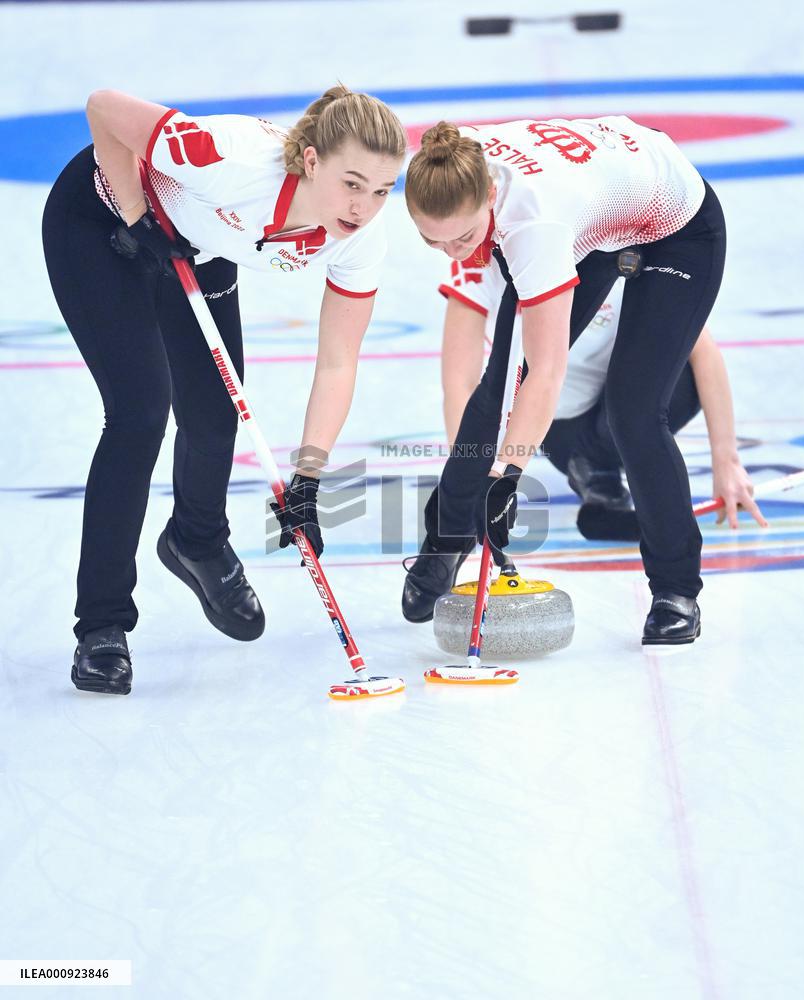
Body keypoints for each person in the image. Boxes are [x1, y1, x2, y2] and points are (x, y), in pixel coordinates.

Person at [42, 86, 406, 694]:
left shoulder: (360, 236)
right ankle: (102, 626)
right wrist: (136, 216)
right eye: (351, 183)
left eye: (381, 189)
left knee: (215, 412)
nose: (363, 206)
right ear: (311, 161)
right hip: (103, 218)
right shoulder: (227, 158)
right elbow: (103, 108)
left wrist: (309, 480)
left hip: (196, 243)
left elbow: (339, 361)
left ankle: (196, 541)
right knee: (139, 414)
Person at [402, 115, 755, 645]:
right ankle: (446, 540)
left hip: (678, 222)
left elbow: (545, 371)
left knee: (635, 411)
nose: (455, 255)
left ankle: (675, 590)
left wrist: (508, 474)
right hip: (604, 209)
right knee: (498, 382)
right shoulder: (449, 165)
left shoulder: (534, 226)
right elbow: (504, 383)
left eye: (464, 237)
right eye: (433, 242)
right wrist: (492, 481)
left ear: (490, 195)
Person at [433, 269, 765, 542]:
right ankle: (593, 467)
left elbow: (701, 351)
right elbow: (460, 384)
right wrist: (469, 483)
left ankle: (598, 468)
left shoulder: (616, 236)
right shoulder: (481, 254)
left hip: (619, 405)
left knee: (680, 365)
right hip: (556, 424)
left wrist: (727, 462)